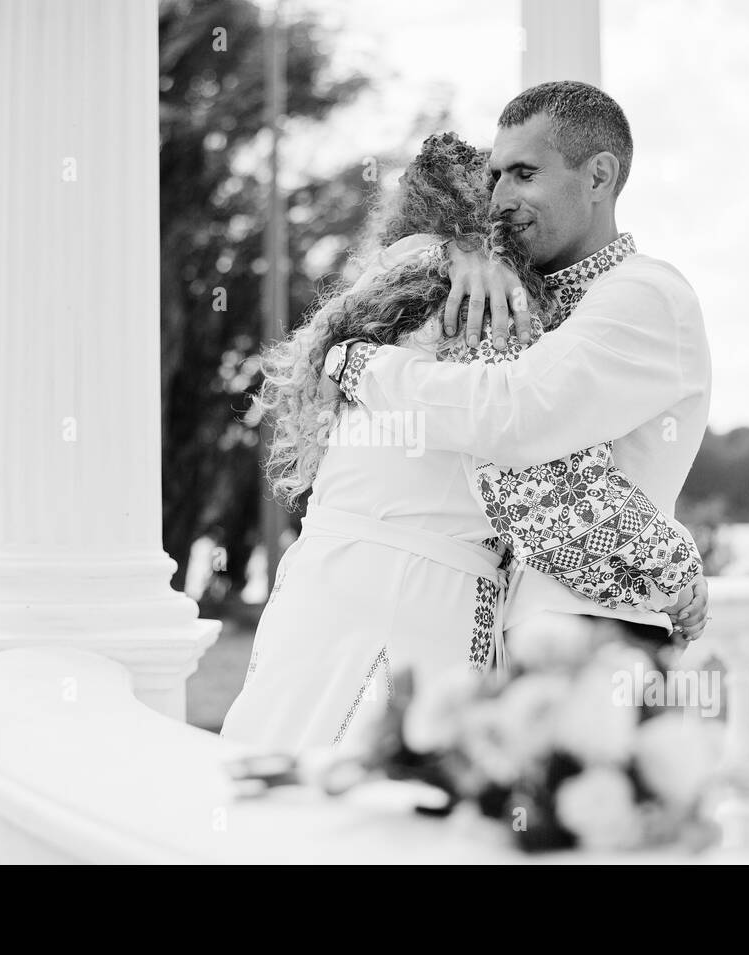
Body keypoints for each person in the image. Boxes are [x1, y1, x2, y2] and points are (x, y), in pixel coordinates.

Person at [220, 131, 706, 754]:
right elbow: (543, 495)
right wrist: (675, 571)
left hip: (321, 580)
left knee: (277, 769)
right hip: (417, 597)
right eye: (505, 185)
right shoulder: (484, 302)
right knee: (378, 790)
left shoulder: (382, 297)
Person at [325, 81, 714, 666]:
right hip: (523, 634)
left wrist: (359, 364)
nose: (500, 198)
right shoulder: (512, 293)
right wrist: (464, 250)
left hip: (599, 634)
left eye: (525, 174)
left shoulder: (646, 294)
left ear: (599, 177)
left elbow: (512, 435)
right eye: (495, 176)